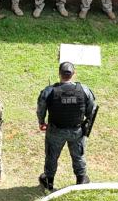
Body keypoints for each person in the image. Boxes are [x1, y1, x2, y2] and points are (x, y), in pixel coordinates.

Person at [36, 61, 97, 191]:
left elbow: (41, 109)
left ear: (59, 73)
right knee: (78, 155)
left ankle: (48, 180)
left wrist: (41, 122)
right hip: (77, 131)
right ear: (74, 74)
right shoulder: (84, 90)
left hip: (55, 131)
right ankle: (81, 180)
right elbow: (91, 111)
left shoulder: (49, 91)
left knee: (51, 155)